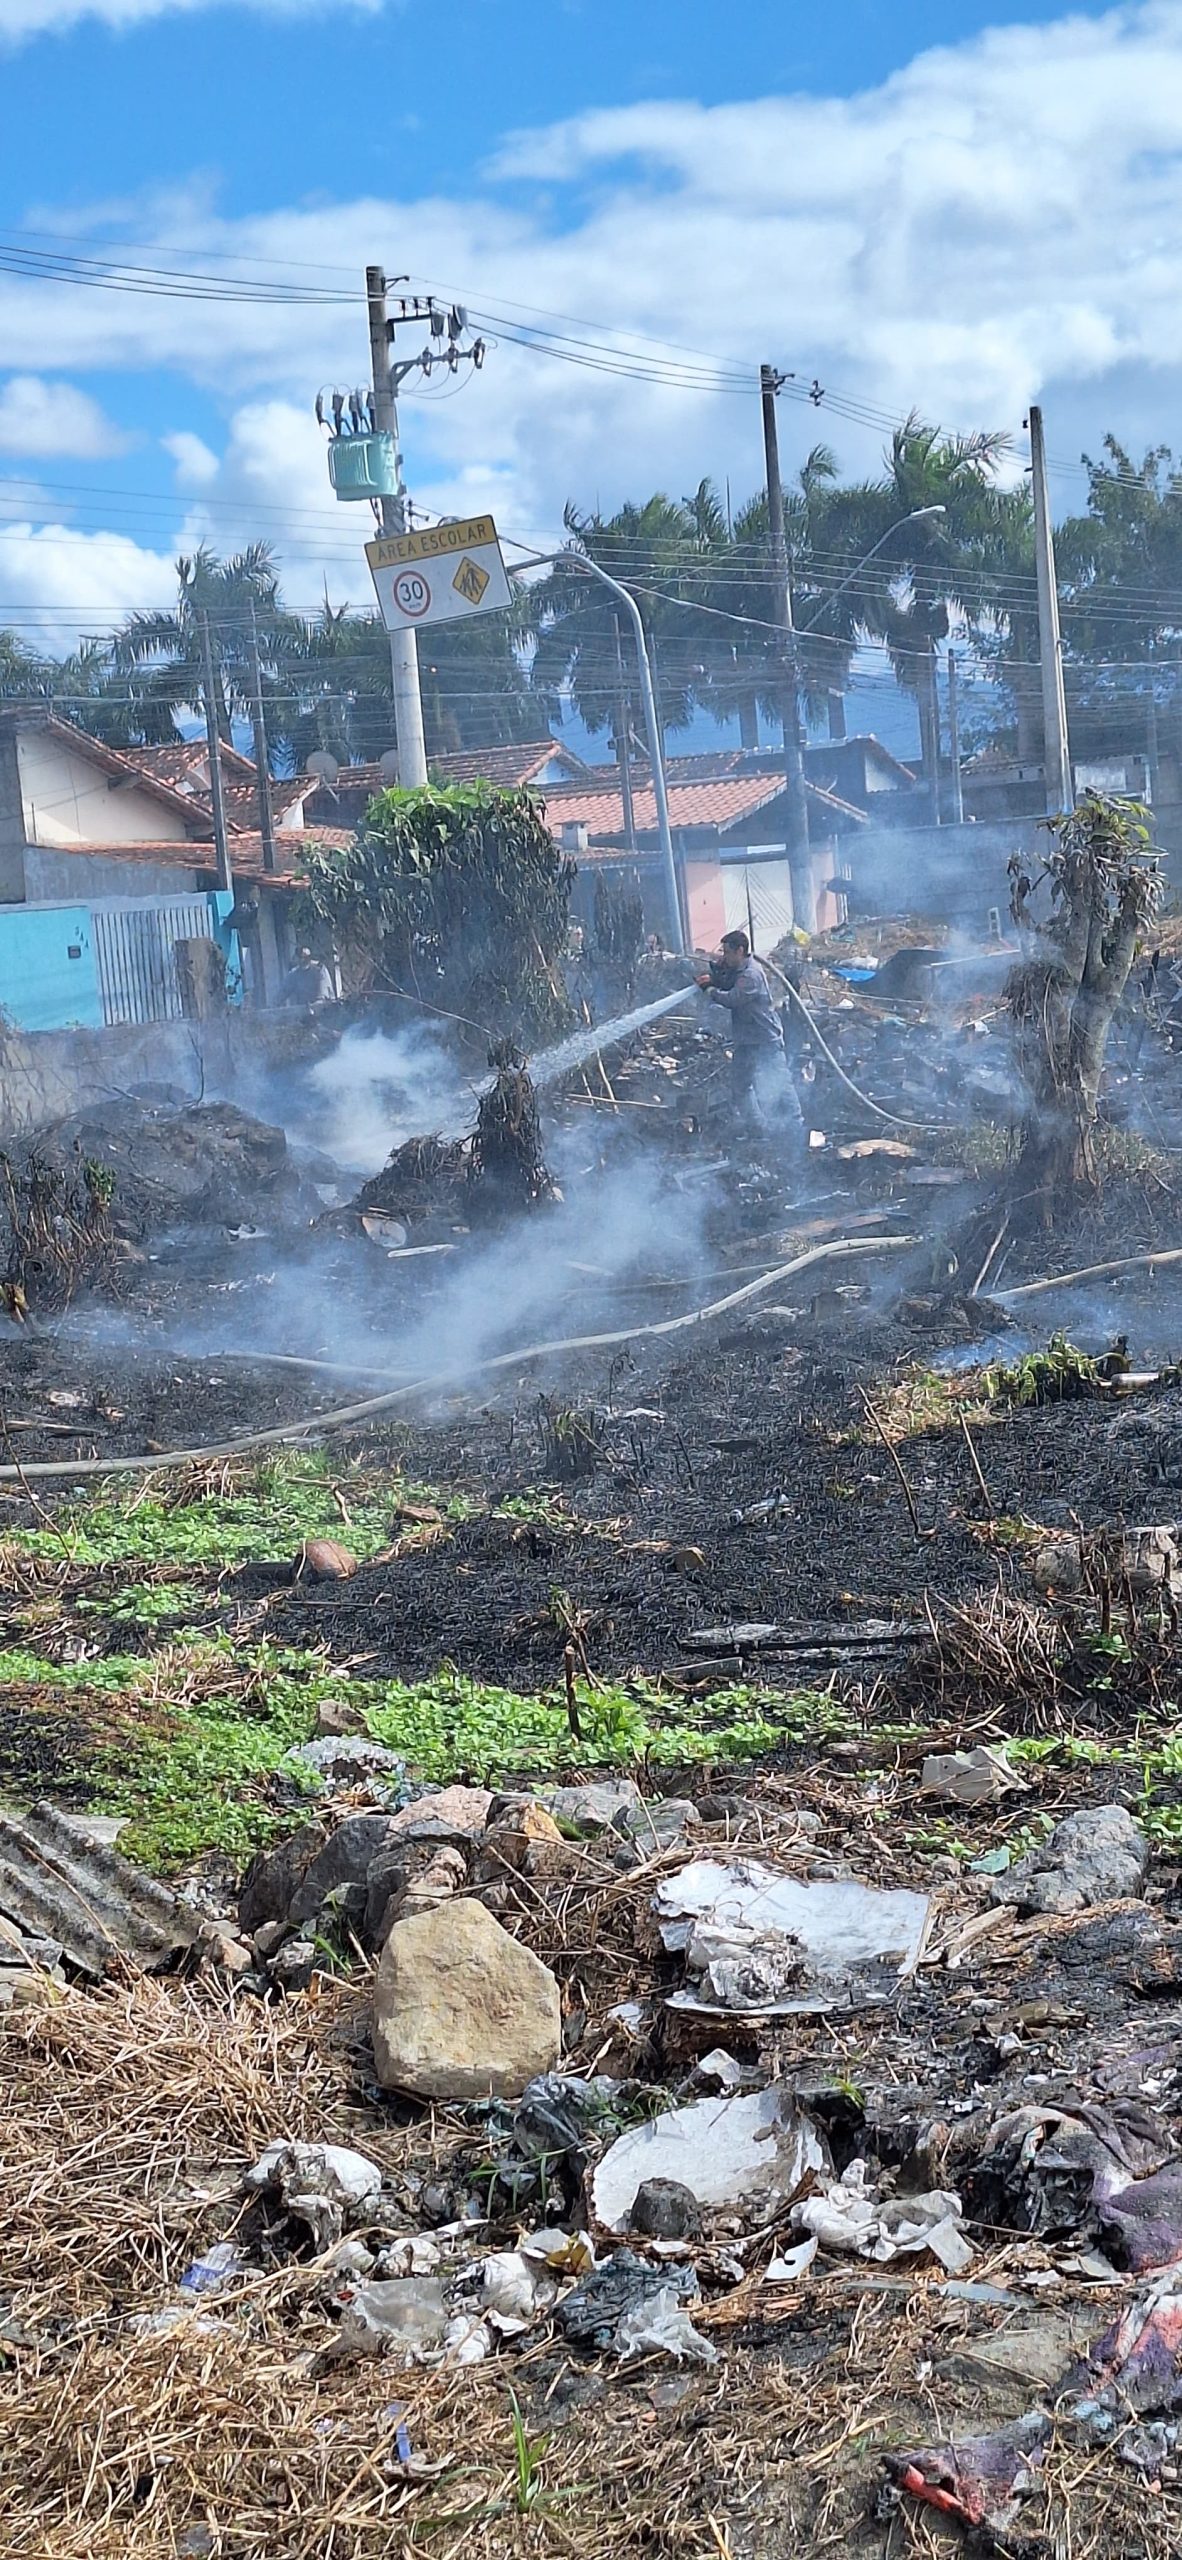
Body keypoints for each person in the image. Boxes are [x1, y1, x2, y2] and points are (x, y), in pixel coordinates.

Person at [696, 928, 804, 1147]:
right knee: (741, 1086)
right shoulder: (740, 970)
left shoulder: (751, 975)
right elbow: (729, 983)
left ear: (740, 951)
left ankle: (797, 1129)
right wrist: (718, 975)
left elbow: (732, 999)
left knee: (781, 1085)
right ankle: (758, 1129)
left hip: (765, 1040)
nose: (725, 956)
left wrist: (709, 988)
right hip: (746, 1041)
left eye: (727, 952)